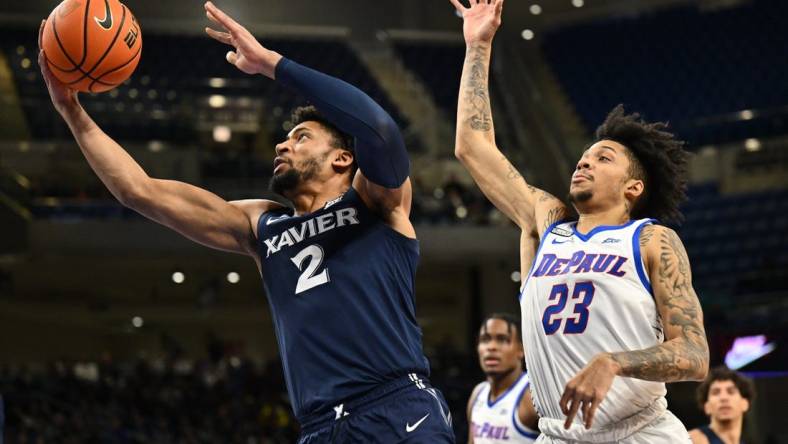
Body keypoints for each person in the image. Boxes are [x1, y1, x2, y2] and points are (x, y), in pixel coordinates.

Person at [37, 2, 454, 442]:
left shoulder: (375, 201)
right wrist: (71, 111)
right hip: (321, 428)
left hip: (396, 408)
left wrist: (273, 65)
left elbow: (381, 129)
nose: (281, 145)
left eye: (300, 137)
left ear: (343, 158)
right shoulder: (261, 225)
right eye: (285, 138)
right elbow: (139, 191)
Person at [449, 0, 710, 442]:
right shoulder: (547, 223)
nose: (583, 164)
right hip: (558, 434)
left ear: (633, 188)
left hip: (638, 433)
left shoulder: (649, 240)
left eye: (603, 158)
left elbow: (694, 354)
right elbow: (472, 146)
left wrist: (614, 362)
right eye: (583, 157)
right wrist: (478, 44)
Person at [468, 314, 539, 443]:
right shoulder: (477, 393)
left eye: (502, 339)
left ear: (521, 349)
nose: (491, 347)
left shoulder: (533, 395)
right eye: (485, 339)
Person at [689, 367, 755, 444]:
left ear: (745, 404)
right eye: (716, 392)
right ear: (707, 406)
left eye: (731, 392)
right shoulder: (691, 440)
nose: (723, 398)